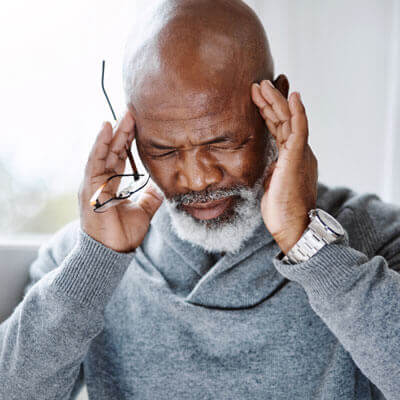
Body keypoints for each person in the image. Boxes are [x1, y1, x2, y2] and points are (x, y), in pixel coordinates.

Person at [1, 0, 399, 398]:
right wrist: (96, 261)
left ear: (273, 107)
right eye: (164, 150)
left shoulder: (374, 236)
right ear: (133, 132)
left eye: (222, 141)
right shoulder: (82, 259)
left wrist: (308, 243)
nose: (196, 178)